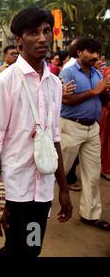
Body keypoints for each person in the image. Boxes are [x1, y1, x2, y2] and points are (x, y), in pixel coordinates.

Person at [0, 7, 73, 257]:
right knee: (16, 248)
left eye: (46, 31)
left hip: (42, 187)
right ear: (19, 40)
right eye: (34, 33)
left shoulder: (54, 84)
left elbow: (54, 137)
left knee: (32, 247)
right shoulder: (5, 82)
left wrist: (63, 189)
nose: (43, 38)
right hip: (15, 188)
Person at [59, 37, 110, 231]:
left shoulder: (97, 73)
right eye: (91, 52)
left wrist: (105, 89)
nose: (95, 56)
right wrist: (94, 91)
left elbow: (103, 99)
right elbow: (67, 100)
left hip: (92, 128)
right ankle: (37, 208)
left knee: (92, 174)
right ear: (79, 52)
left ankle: (91, 214)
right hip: (71, 127)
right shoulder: (68, 72)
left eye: (97, 53)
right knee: (57, 172)